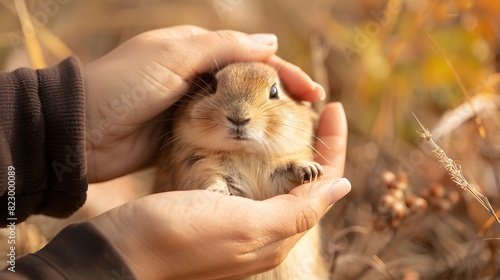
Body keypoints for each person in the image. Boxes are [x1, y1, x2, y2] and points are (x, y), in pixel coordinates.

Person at [0, 25, 351, 279]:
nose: (240, 114)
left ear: (302, 111)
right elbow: (201, 178)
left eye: (271, 95)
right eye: (214, 89)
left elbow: (283, 179)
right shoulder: (190, 150)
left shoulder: (295, 146)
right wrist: (122, 255)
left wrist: (295, 171)